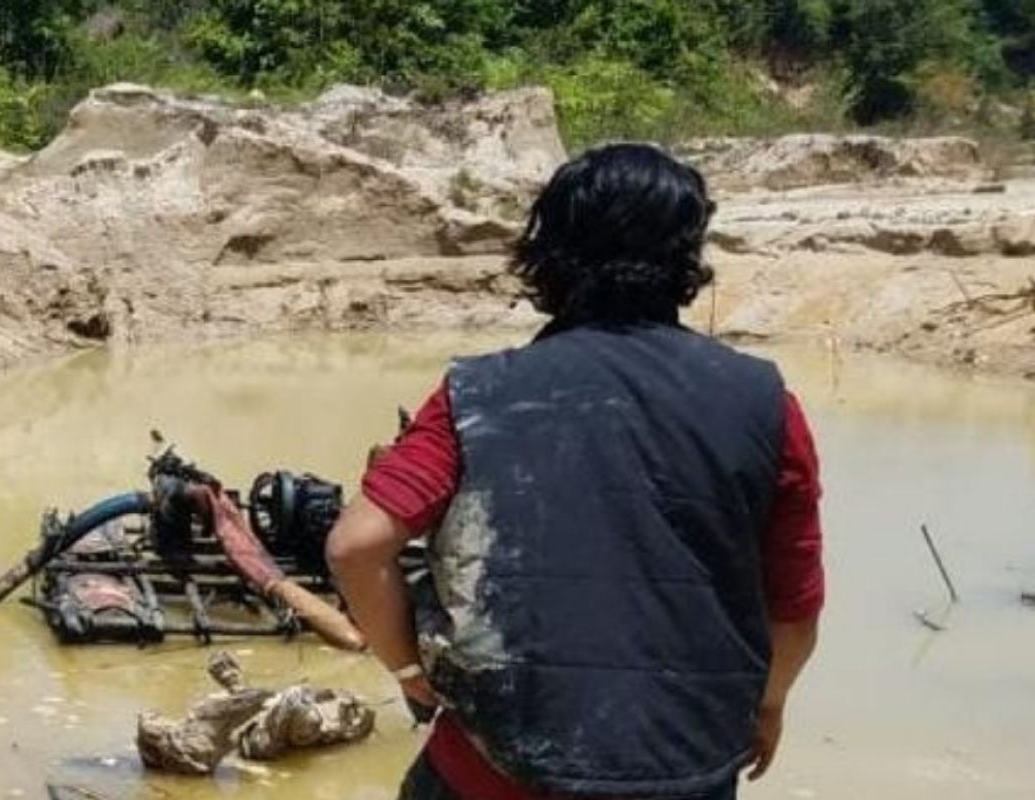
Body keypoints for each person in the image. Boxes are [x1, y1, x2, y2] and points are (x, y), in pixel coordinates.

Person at [329, 143, 824, 800]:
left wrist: (407, 668)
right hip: (684, 773)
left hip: (496, 770)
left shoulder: (477, 395)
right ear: (687, 256)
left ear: (549, 253)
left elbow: (356, 547)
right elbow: (794, 609)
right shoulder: (767, 404)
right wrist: (766, 707)